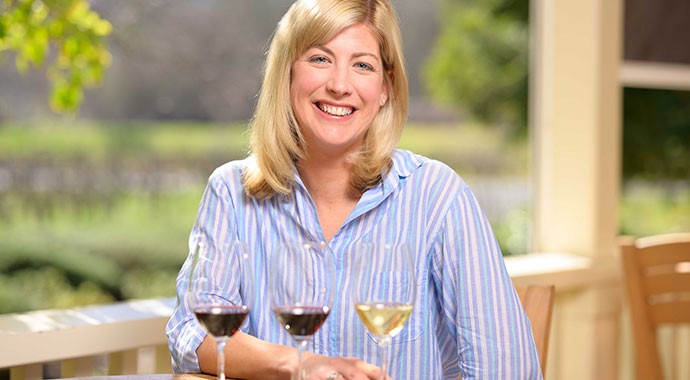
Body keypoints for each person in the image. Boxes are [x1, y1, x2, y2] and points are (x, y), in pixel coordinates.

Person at [166, 0, 542, 379]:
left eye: (362, 65)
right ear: (287, 75)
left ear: (385, 89)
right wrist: (301, 364)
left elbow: (507, 369)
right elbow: (191, 335)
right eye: (320, 59)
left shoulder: (436, 196)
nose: (340, 85)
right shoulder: (231, 193)